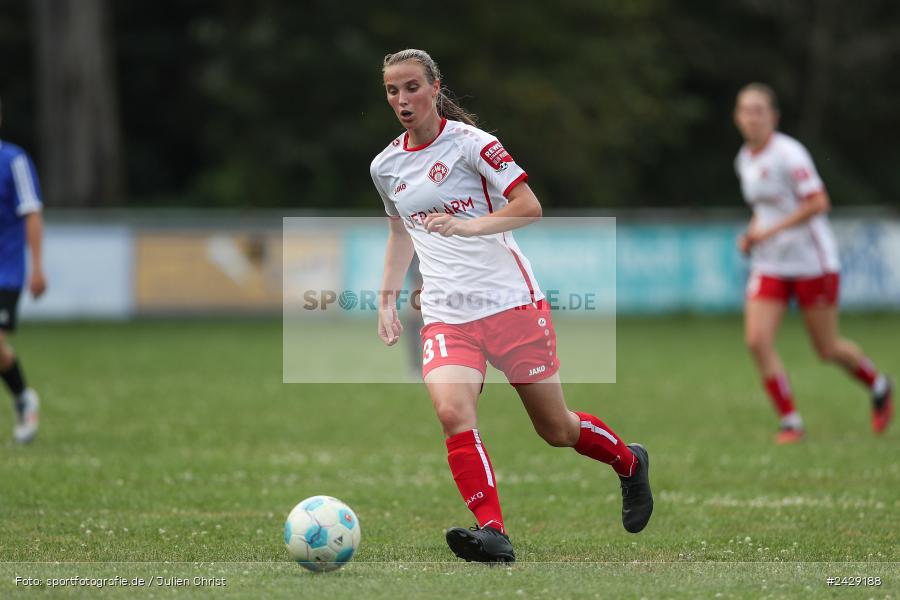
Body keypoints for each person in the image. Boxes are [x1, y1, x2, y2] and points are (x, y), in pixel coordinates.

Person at [370, 49, 653, 563]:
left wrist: (468, 225)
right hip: (447, 312)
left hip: (510, 305)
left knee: (557, 429)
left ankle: (629, 463)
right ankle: (493, 533)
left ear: (435, 87)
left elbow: (529, 206)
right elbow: (398, 231)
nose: (402, 99)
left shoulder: (474, 145)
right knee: (453, 411)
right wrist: (387, 298)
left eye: (412, 87)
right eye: (392, 90)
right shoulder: (386, 165)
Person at [733, 83, 893, 444]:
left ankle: (879, 383)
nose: (752, 117)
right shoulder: (744, 158)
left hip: (812, 263)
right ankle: (791, 421)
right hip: (772, 264)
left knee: (827, 348)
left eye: (759, 110)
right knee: (757, 340)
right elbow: (764, 210)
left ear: (772, 116)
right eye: (746, 110)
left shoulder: (790, 154)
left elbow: (819, 203)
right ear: (737, 117)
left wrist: (769, 230)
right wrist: (752, 234)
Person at [0, 95, 45, 444]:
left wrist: (37, 268)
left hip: (6, 271)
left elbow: (31, 211)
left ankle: (22, 398)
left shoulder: (13, 161)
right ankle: (23, 396)